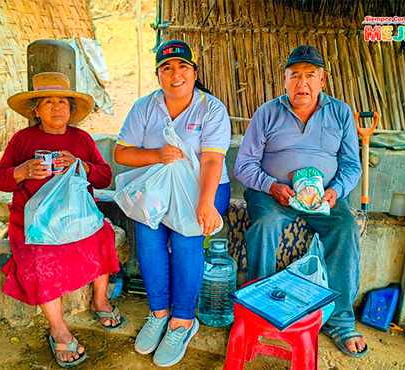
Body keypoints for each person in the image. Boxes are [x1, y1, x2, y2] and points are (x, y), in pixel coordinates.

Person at [234, 45, 367, 357]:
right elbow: (243, 165)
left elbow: (351, 165)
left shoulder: (340, 113)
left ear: (322, 80)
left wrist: (336, 191)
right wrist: (271, 185)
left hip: (325, 199)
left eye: (310, 76)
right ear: (284, 80)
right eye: (295, 76)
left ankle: (341, 320)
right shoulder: (267, 113)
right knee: (265, 225)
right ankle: (260, 309)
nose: (302, 83)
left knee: (345, 228)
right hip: (273, 195)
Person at [0, 72, 126, 368]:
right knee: (39, 258)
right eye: (48, 102)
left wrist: (80, 165)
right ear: (36, 110)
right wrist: (22, 171)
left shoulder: (81, 139)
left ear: (71, 110)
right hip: (34, 225)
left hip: (76, 219)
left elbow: (105, 177)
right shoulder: (22, 140)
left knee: (102, 235)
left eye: (63, 101)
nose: (57, 107)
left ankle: (99, 300)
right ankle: (58, 328)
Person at [114, 39, 231, 367]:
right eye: (167, 68)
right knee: (148, 239)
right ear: (158, 75)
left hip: (202, 188)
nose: (175, 74)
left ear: (194, 72)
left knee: (185, 240)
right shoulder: (145, 107)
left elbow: (211, 161)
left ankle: (182, 320)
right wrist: (156, 155)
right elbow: (121, 152)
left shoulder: (211, 109)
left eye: (182, 67)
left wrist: (205, 204)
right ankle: (159, 313)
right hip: (156, 188)